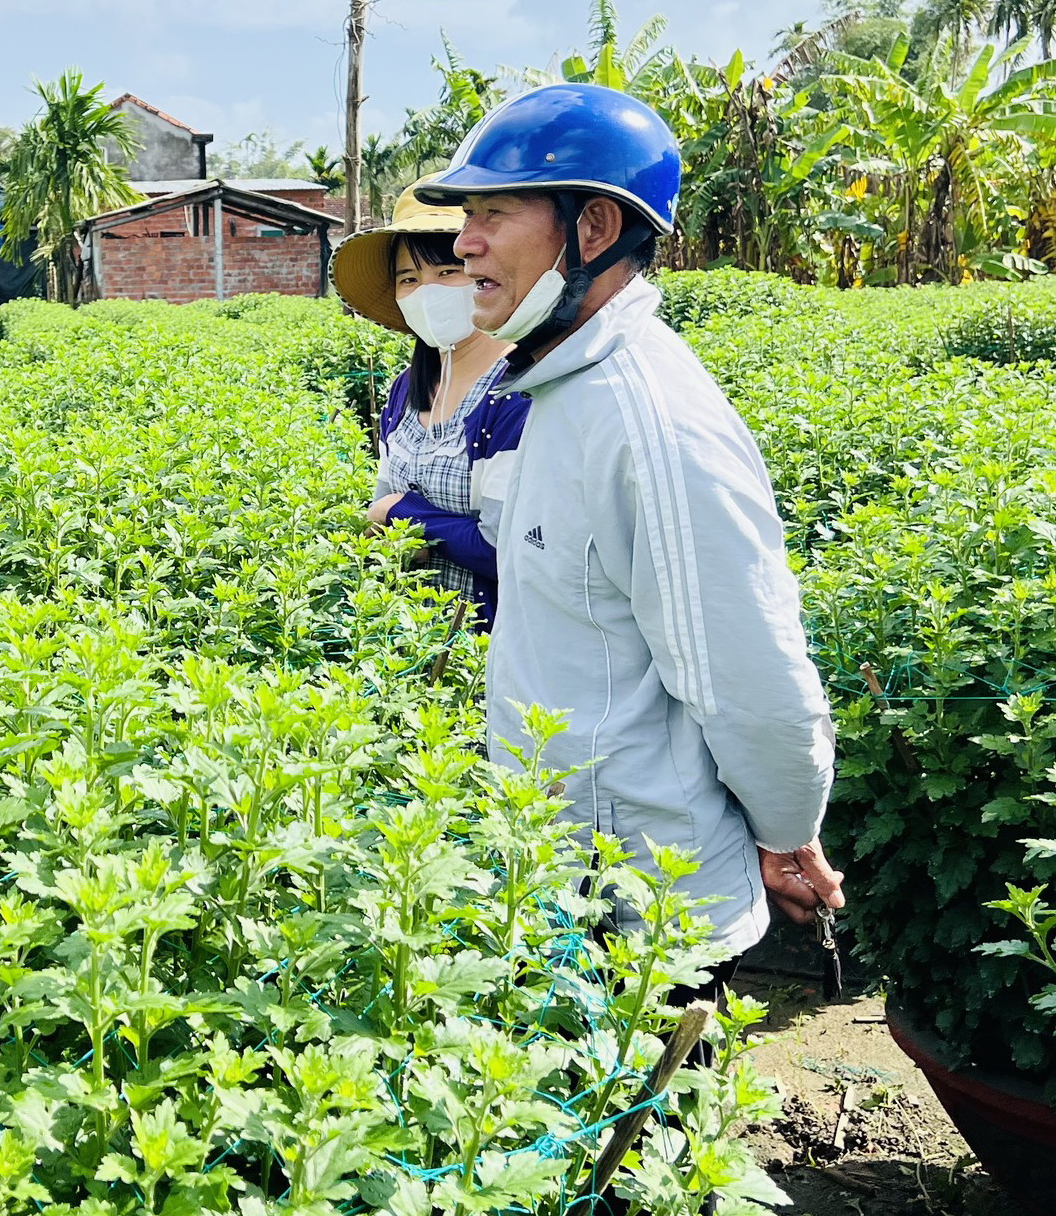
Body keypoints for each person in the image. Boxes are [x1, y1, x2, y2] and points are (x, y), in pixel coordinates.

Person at [412, 84, 845, 979]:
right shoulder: (560, 387)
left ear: (595, 229)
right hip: (564, 882)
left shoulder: (648, 418)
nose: (464, 242)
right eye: (467, 215)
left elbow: (752, 676)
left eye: (494, 212)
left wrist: (786, 829)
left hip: (645, 920)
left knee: (645, 1118)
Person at [330, 178, 528, 628]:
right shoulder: (406, 389)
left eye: (446, 272)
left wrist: (404, 514)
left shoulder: (513, 394)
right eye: (409, 279)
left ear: (480, 272)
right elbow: (378, 520)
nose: (427, 291)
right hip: (404, 640)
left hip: (483, 649)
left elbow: (506, 550)